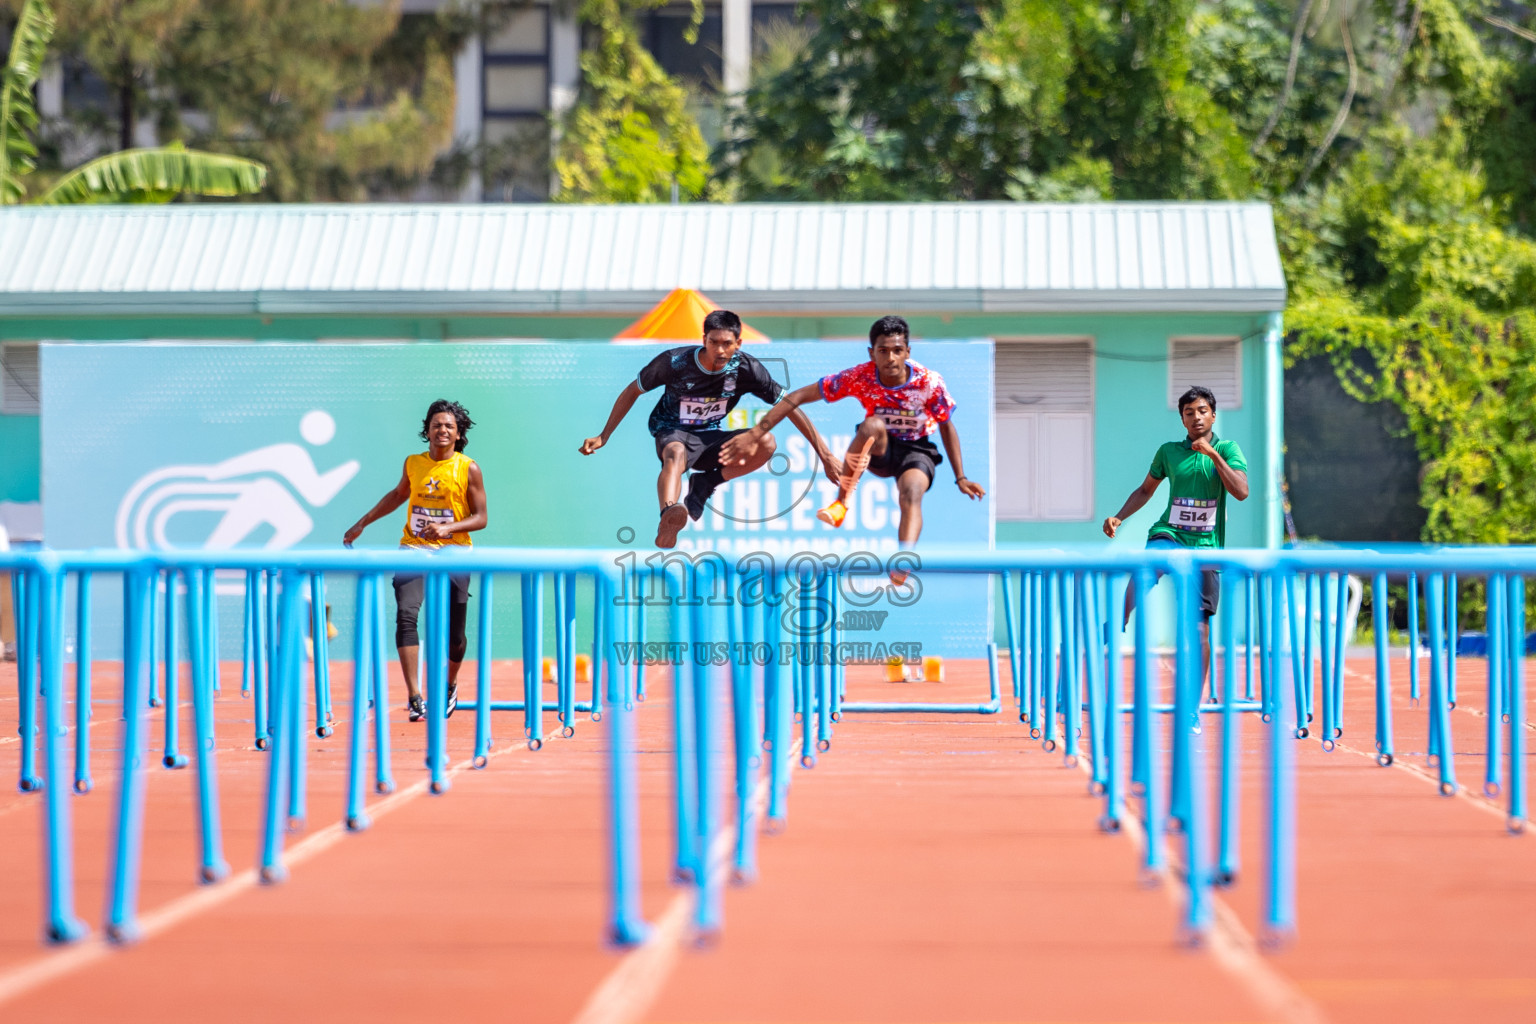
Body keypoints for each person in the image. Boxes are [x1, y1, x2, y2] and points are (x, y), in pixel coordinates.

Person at [723, 315, 985, 560]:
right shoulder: (860, 377)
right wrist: (756, 432)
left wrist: (960, 477)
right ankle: (841, 503)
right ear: (872, 353)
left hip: (917, 449)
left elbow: (946, 426)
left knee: (911, 493)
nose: (891, 358)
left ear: (907, 352)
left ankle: (902, 564)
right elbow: (797, 396)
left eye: (897, 350)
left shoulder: (929, 382)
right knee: (871, 425)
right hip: (879, 448)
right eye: (883, 351)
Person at [580, 309, 840, 548]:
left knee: (767, 443)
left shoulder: (747, 369)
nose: (720, 350)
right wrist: (605, 435)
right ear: (704, 339)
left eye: (727, 344)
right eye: (713, 342)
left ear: (738, 344)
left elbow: (790, 405)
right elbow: (632, 391)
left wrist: (825, 455)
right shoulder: (674, 362)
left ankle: (705, 482)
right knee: (676, 454)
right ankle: (670, 514)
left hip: (710, 438)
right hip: (671, 430)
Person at [343, 400, 487, 721]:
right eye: (436, 425)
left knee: (455, 635)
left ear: (459, 433)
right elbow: (397, 495)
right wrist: (363, 522)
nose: (442, 430)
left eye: (449, 426)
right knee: (406, 615)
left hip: (455, 552)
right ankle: (415, 695)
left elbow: (481, 518)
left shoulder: (469, 468)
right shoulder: (414, 463)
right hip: (414, 548)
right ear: (427, 430)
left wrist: (448, 527)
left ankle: (448, 686)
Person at [1102, 385, 1248, 697]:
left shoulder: (1229, 450)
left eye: (1202, 411)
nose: (1196, 417)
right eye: (1188, 413)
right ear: (1182, 419)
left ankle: (1192, 706)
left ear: (1213, 416)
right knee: (1151, 560)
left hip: (1205, 547)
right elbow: (1145, 490)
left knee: (1199, 631)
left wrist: (1212, 455)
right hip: (1169, 532)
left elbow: (1241, 491)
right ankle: (1121, 617)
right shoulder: (1169, 451)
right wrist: (1119, 516)